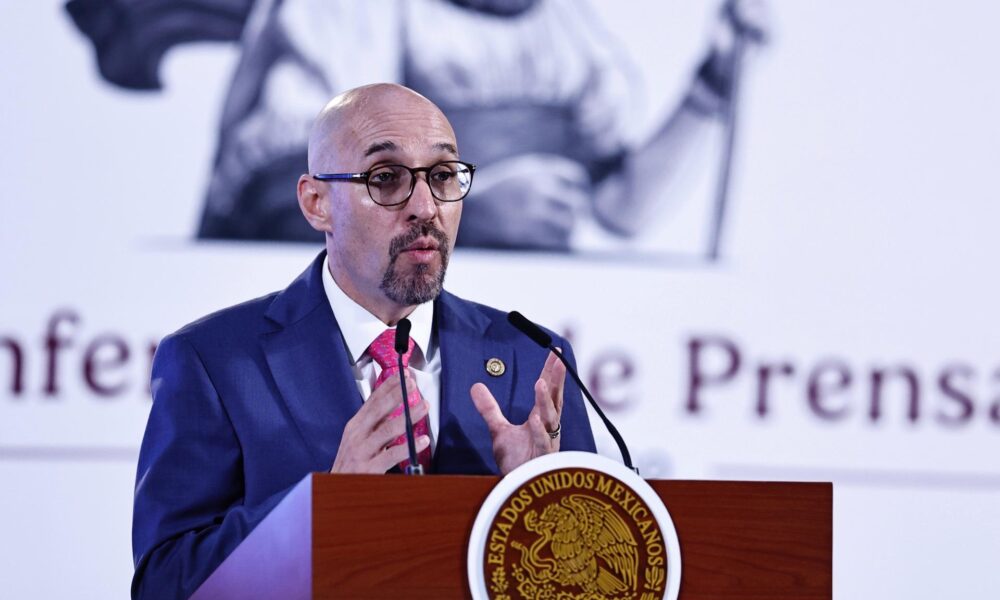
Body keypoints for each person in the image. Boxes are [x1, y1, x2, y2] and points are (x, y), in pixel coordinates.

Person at [130, 83, 596, 599]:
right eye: (387, 178)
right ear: (316, 203)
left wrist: (542, 503)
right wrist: (320, 509)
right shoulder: (215, 361)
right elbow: (165, 583)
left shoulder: (531, 359)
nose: (426, 206)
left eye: (443, 176)